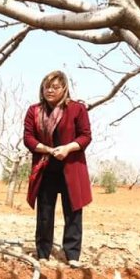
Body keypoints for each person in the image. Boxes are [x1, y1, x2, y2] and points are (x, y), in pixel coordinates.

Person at [23, 70, 92, 268]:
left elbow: (85, 136)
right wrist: (48, 150)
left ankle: (72, 254)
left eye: (55, 87)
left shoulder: (77, 109)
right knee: (45, 212)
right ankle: (43, 252)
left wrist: (68, 148)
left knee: (73, 212)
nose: (50, 90)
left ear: (64, 89)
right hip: (46, 167)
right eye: (47, 87)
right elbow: (28, 138)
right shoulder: (34, 110)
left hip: (71, 167)